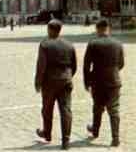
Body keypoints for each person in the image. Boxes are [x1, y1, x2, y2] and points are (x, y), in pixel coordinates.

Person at [34, 19, 76, 150]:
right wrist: (67, 76)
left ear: (49, 29)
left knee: (47, 109)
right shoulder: (69, 45)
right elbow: (74, 65)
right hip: (66, 80)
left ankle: (47, 133)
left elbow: (41, 66)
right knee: (66, 110)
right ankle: (66, 141)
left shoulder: (45, 44)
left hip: (49, 82)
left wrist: (38, 82)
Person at [84, 20, 124, 147]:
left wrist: (87, 81)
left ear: (97, 29)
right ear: (108, 28)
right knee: (114, 109)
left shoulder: (93, 43)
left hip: (98, 81)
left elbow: (86, 66)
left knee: (97, 107)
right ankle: (115, 138)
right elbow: (121, 64)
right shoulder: (118, 43)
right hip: (114, 81)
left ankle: (95, 131)